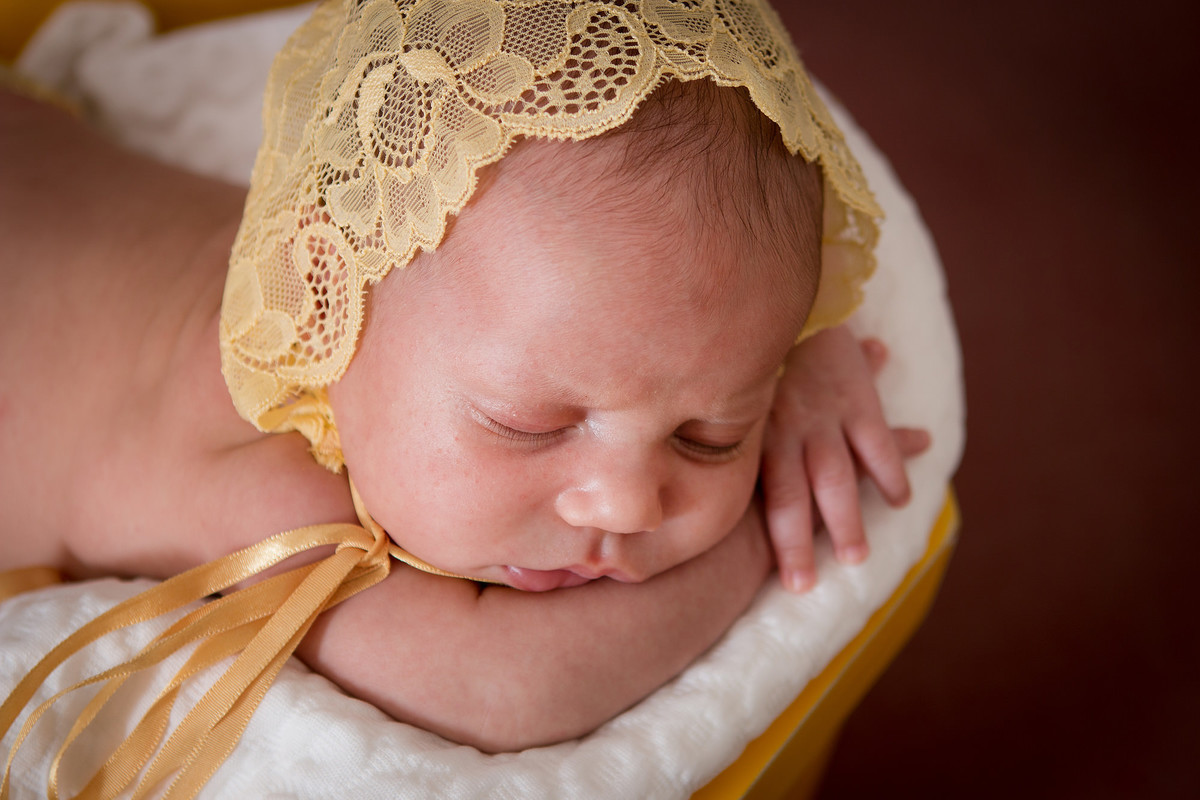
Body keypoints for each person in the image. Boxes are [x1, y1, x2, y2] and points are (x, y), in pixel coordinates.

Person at [0, 0, 927, 783]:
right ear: (333, 305)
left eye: (709, 435)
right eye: (528, 425)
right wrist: (770, 504)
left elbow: (683, 311)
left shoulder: (445, 307)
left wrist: (800, 357)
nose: (627, 502)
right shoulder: (272, 492)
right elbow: (506, 691)